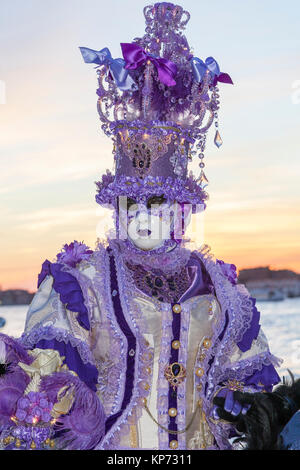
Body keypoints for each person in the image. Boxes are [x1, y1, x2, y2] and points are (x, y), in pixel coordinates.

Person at [0, 2, 281, 450]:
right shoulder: (82, 280)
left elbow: (247, 381)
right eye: (130, 203)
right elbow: (45, 385)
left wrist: (246, 403)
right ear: (114, 204)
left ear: (183, 209)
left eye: (157, 202)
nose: (142, 216)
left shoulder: (221, 286)